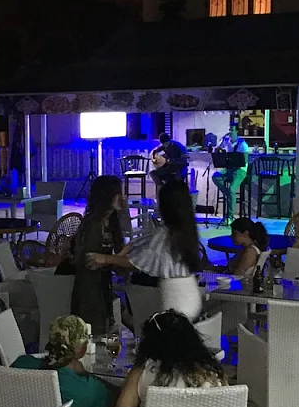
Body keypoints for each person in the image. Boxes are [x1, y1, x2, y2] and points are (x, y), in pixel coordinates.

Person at [86, 180, 208, 320]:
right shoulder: (188, 231)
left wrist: (105, 258)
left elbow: (139, 262)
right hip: (192, 297)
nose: (123, 197)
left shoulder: (165, 236)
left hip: (173, 305)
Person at [72, 175, 124, 334]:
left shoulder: (111, 222)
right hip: (90, 290)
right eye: (118, 193)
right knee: (96, 334)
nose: (122, 197)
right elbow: (90, 261)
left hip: (104, 286)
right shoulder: (94, 224)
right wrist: (116, 259)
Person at [212, 124, 250, 225]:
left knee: (232, 189)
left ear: (237, 131)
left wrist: (236, 163)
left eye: (232, 130)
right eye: (229, 130)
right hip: (229, 169)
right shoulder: (227, 141)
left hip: (240, 170)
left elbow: (245, 160)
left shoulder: (243, 144)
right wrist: (220, 143)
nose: (230, 132)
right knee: (215, 176)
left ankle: (230, 216)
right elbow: (218, 149)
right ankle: (228, 194)